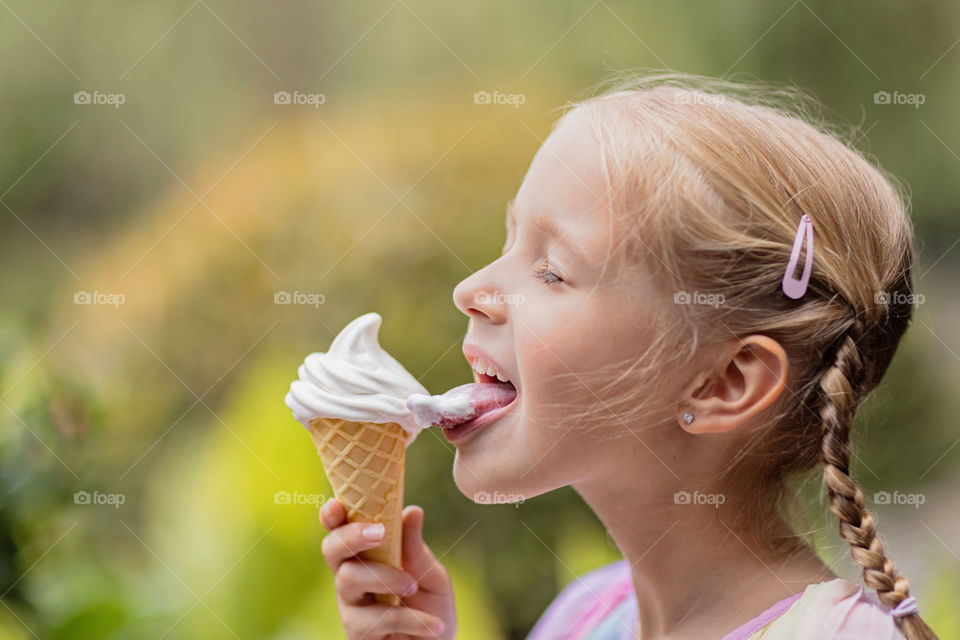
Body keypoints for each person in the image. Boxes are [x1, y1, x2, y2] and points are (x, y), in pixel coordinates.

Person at [317, 72, 939, 639]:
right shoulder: (581, 617)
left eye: (552, 272)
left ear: (724, 381)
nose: (470, 291)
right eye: (509, 241)